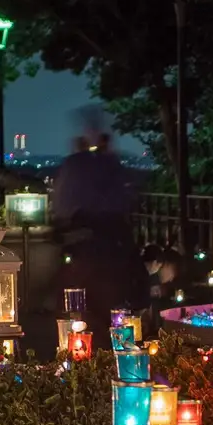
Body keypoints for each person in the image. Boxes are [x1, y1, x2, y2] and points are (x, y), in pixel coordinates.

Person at [46, 111, 146, 350]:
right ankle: (118, 352)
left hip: (87, 247)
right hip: (111, 248)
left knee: (79, 308)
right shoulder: (109, 166)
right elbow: (126, 198)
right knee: (112, 307)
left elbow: (62, 207)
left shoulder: (75, 166)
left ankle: (81, 350)